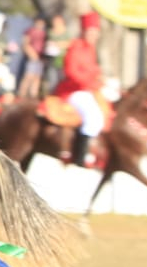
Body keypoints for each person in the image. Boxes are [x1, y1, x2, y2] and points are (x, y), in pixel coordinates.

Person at [53, 11, 107, 167]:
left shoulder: (91, 49)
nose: (94, 36)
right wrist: (91, 83)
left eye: (96, 33)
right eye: (91, 32)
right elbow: (71, 71)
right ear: (84, 32)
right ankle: (81, 157)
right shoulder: (76, 46)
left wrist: (100, 79)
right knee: (93, 117)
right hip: (73, 90)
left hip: (89, 89)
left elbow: (93, 70)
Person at [17, 16, 47, 99]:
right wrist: (31, 54)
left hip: (40, 58)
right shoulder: (30, 31)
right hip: (32, 57)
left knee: (37, 78)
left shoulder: (44, 33)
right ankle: (21, 96)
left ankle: (33, 96)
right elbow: (25, 44)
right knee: (28, 76)